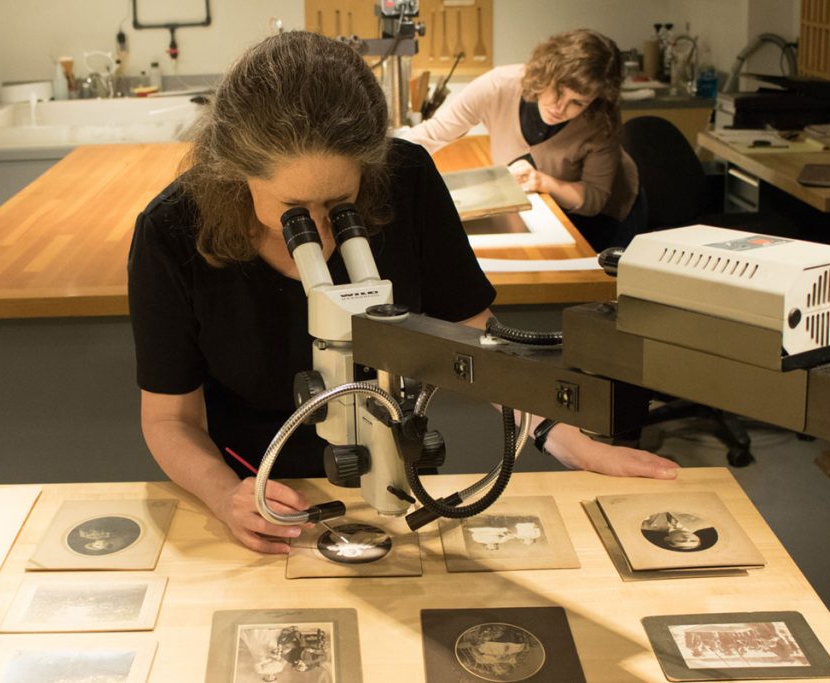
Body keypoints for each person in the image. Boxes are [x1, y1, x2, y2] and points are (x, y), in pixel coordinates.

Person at [127, 31, 678, 555]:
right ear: (235, 174)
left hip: (398, 473)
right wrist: (226, 496)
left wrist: (555, 431)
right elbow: (169, 420)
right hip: (260, 486)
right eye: (293, 212)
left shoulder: (407, 177)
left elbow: (472, 334)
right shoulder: (172, 230)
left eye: (339, 203)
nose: (319, 235)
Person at [403, 28, 646, 251]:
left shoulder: (601, 119)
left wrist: (544, 182)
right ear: (545, 72)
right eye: (558, 91)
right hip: (548, 209)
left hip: (607, 216)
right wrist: (380, 158)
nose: (560, 107)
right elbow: (434, 133)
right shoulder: (499, 85)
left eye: (578, 103)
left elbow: (593, 198)